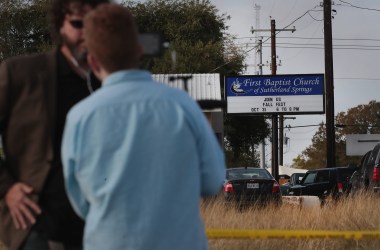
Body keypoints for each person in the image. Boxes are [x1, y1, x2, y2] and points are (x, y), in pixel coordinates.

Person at [61, 3, 225, 250]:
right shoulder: (184, 106)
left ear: (93, 62)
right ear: (139, 50)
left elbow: (80, 201)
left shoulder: (80, 117)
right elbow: (213, 181)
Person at [0, 0, 110, 249]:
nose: (87, 33)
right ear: (60, 26)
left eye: (95, 24)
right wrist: (7, 188)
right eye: (77, 24)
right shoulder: (20, 73)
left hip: (100, 229)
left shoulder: (112, 83)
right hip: (37, 227)